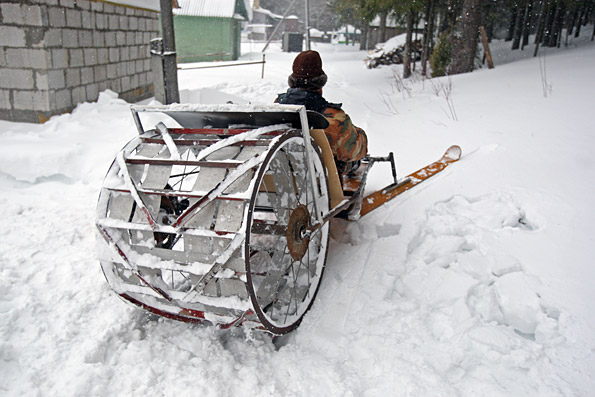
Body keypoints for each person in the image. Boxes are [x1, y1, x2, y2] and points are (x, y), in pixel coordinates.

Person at [275, 50, 368, 175]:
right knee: (345, 159)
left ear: (292, 81)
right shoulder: (334, 118)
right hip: (319, 180)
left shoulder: (275, 108)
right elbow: (354, 151)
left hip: (280, 174)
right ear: (320, 82)